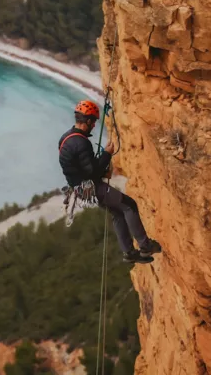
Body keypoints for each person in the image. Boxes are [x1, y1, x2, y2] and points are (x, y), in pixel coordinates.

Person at [58, 100, 162, 264]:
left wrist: (101, 169)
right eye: (93, 122)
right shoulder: (81, 143)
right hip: (91, 188)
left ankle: (129, 253)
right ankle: (145, 246)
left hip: (80, 189)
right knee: (129, 205)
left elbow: (82, 168)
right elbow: (92, 171)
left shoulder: (66, 138)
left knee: (118, 212)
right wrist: (107, 154)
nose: (94, 126)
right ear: (88, 121)